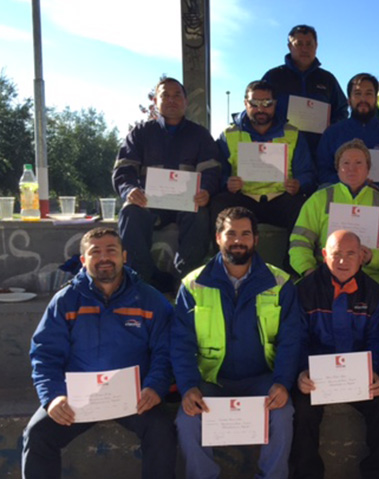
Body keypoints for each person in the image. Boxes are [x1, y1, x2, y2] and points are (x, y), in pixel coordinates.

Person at [22, 227, 176, 479]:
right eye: (95, 252)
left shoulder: (150, 299)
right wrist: (53, 397)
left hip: (135, 397)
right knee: (38, 433)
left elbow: (165, 351)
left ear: (124, 256)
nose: (104, 257)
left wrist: (154, 387)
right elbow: (45, 354)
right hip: (78, 397)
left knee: (162, 429)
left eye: (111, 250)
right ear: (84, 260)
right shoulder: (65, 300)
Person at [171, 207, 302, 479]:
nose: (238, 240)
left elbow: (291, 340)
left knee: (283, 414)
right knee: (187, 419)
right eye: (231, 233)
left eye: (245, 234)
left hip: (263, 379)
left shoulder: (279, 283)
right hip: (212, 381)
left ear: (256, 239)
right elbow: (181, 343)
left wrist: (282, 382)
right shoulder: (193, 284)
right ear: (218, 237)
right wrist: (188, 387)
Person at [291, 230, 379, 479]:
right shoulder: (304, 291)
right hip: (316, 379)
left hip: (358, 379)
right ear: (323, 255)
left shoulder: (374, 293)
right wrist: (301, 373)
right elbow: (296, 339)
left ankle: (376, 472)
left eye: (351, 254)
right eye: (336, 254)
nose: (343, 261)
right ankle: (307, 474)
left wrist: (375, 373)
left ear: (362, 256)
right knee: (301, 409)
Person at [113, 77, 221, 292]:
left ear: (185, 101)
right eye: (165, 96)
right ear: (155, 101)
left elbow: (212, 169)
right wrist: (130, 190)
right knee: (129, 213)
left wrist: (206, 190)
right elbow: (124, 169)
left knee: (200, 215)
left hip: (187, 203)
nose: (172, 100)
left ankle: (184, 280)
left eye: (177, 95)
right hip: (149, 202)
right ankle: (144, 281)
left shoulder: (200, 135)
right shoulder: (140, 133)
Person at [290, 139, 379, 296]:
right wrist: (309, 270)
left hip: (368, 275)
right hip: (324, 272)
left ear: (368, 169)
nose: (352, 168)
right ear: (337, 168)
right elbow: (299, 242)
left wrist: (371, 257)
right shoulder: (319, 199)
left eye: (358, 163)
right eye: (346, 163)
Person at [210, 80, 315, 232]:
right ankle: (225, 248)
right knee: (219, 203)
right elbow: (218, 172)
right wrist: (227, 183)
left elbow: (307, 172)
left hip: (280, 198)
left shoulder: (292, 133)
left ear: (275, 103)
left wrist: (299, 184)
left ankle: (296, 249)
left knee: (302, 205)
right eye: (254, 103)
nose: (260, 109)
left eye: (267, 103)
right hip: (243, 198)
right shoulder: (229, 134)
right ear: (245, 103)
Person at [317, 73, 379, 199]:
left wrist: (375, 185)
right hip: (343, 191)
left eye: (368, 94)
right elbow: (323, 170)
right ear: (349, 100)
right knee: (324, 189)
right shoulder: (333, 132)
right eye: (357, 94)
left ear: (376, 99)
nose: (363, 99)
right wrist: (351, 184)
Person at [262, 24, 348, 161]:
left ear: (316, 46)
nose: (304, 49)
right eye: (299, 44)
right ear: (289, 47)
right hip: (282, 151)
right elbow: (260, 109)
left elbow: (341, 111)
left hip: (319, 152)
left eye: (309, 44)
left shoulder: (327, 79)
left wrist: (331, 128)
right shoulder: (273, 77)